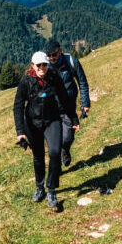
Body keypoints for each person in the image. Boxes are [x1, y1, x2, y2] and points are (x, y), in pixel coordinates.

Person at [13, 51, 79, 210]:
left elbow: (64, 98)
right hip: (32, 123)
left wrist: (74, 119)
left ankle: (51, 190)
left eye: (45, 64)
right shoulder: (26, 81)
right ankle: (39, 187)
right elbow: (18, 105)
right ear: (32, 66)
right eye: (38, 65)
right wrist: (20, 131)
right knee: (38, 156)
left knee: (55, 152)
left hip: (52, 120)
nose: (42, 68)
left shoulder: (54, 77)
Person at [44, 39, 90, 167]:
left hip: (68, 108)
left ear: (60, 51)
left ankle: (65, 149)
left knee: (67, 138)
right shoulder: (44, 66)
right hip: (51, 109)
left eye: (54, 54)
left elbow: (82, 82)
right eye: (49, 55)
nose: (52, 58)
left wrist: (85, 103)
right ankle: (56, 168)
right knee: (54, 142)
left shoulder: (71, 61)